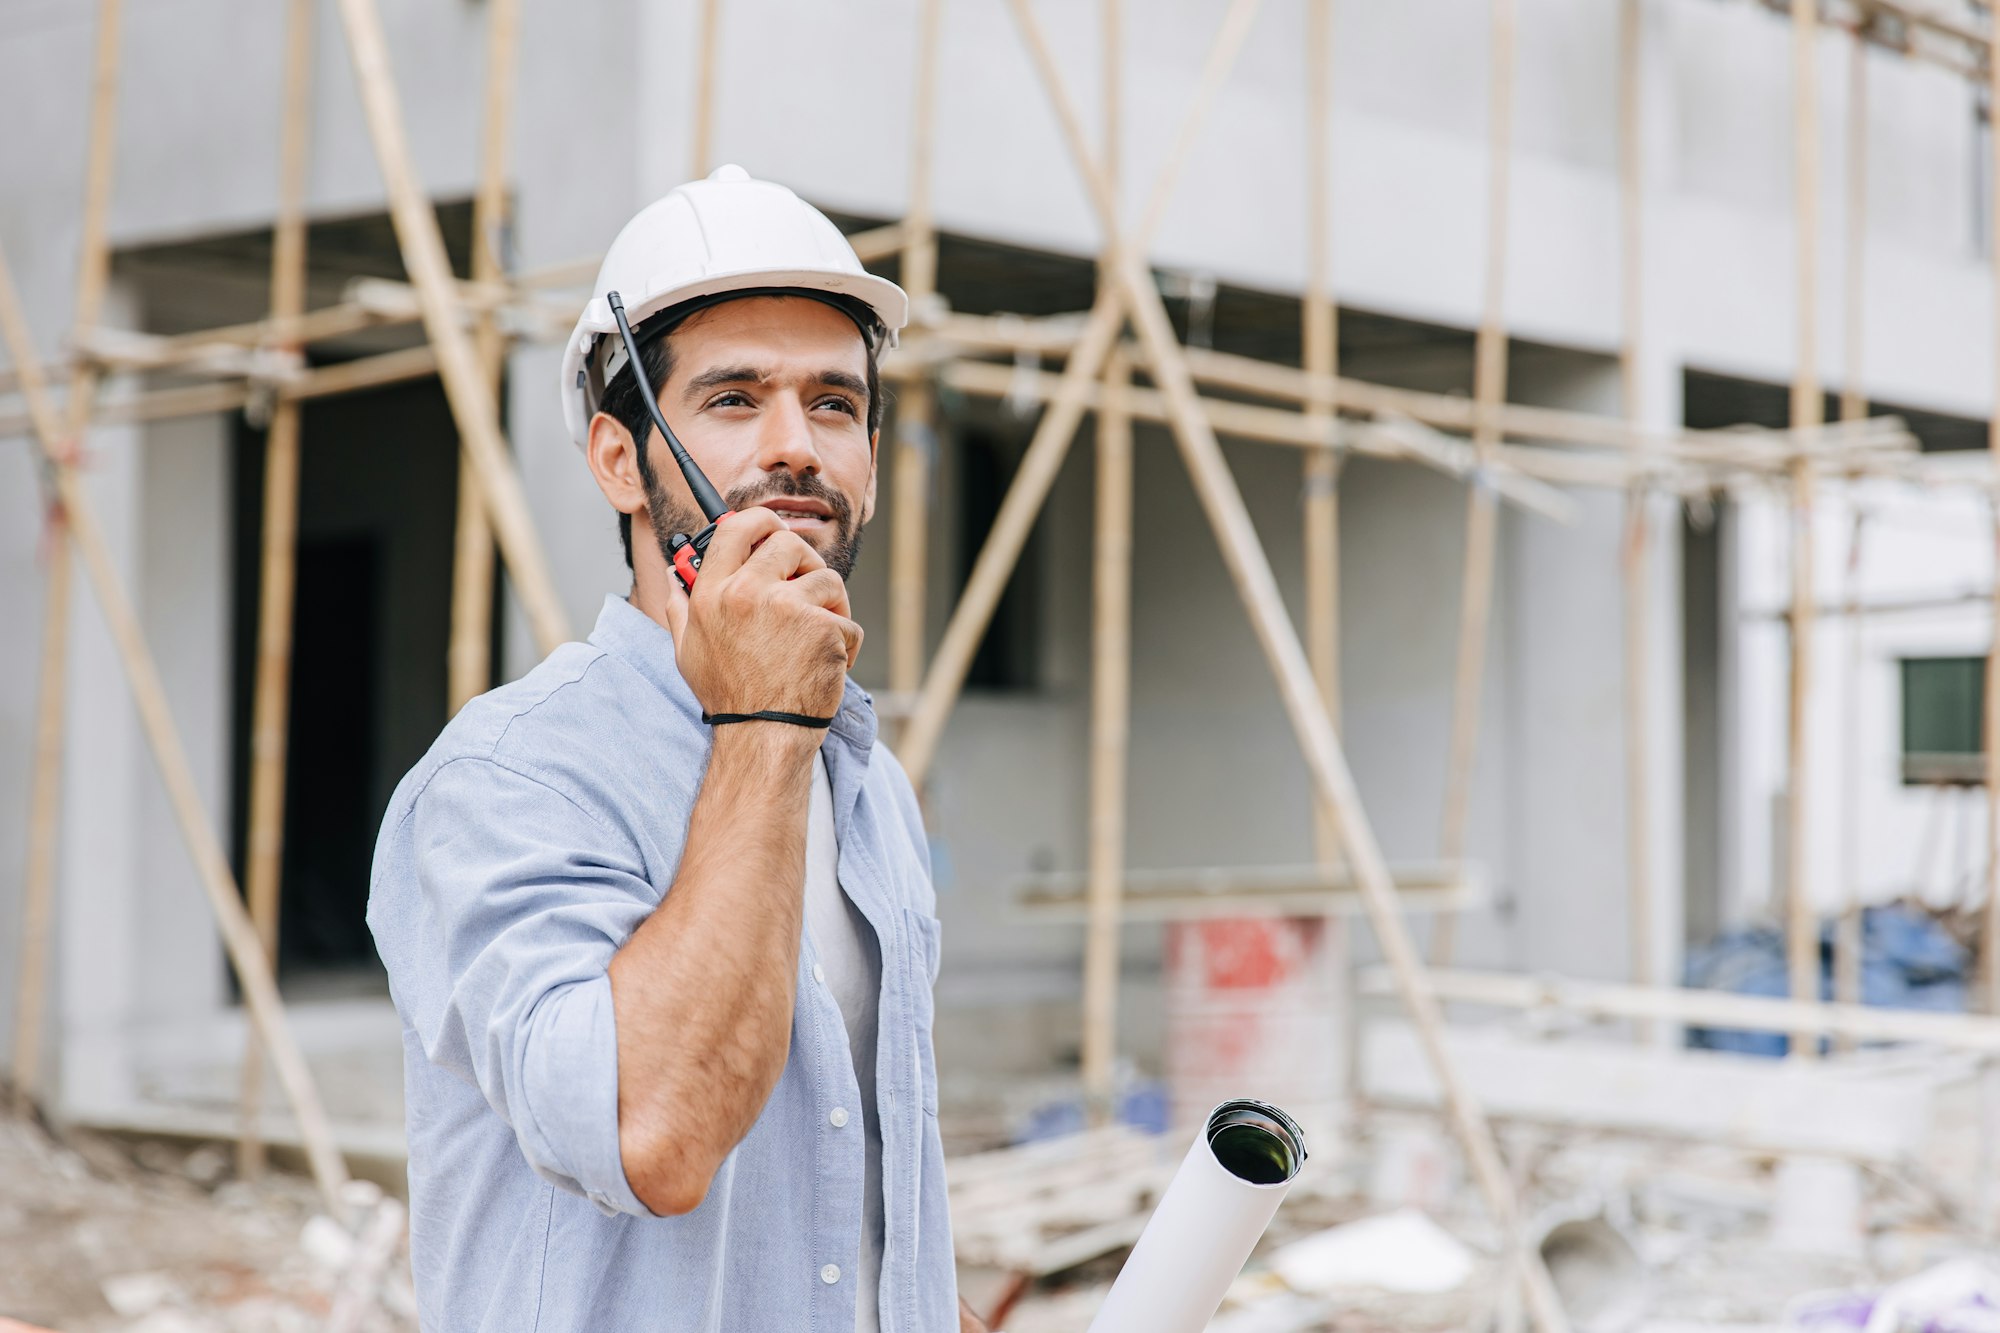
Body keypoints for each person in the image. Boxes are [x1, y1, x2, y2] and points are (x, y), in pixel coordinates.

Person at [369, 165, 984, 1333]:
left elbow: (847, 1194)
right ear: (619, 459)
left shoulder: (864, 779)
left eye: (835, 404)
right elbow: (652, 1132)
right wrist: (758, 725)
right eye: (735, 399)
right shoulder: (506, 781)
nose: (795, 447)